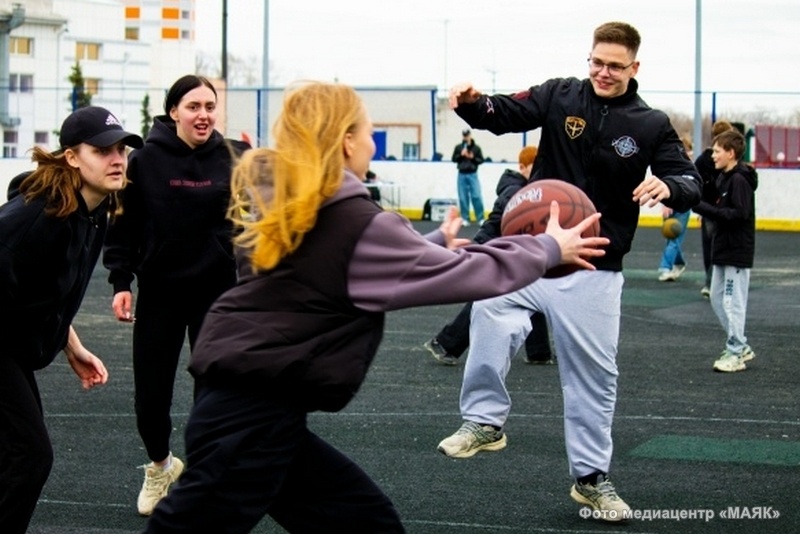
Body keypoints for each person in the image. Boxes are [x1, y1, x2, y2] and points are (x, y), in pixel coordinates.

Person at [142, 81, 609, 533]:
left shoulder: (291, 208)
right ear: (346, 142)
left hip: (243, 408)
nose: (371, 142)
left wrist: (429, 245)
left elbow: (339, 268)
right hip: (250, 420)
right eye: (366, 131)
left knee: (366, 521)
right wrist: (547, 247)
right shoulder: (351, 220)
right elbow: (464, 275)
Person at [437, 21, 702, 522]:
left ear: (634, 68)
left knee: (593, 379)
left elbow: (687, 176)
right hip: (536, 251)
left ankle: (591, 479)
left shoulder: (651, 124)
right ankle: (484, 421)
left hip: (596, 267)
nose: (603, 72)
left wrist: (670, 188)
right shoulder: (559, 96)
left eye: (615, 65)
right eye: (596, 61)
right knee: (491, 309)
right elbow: (505, 112)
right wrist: (473, 103)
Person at [102, 74, 250, 516]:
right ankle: (160, 466)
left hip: (217, 294)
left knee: (215, 392)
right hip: (161, 293)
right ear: (173, 112)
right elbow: (123, 225)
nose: (203, 115)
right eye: (193, 106)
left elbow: (256, 218)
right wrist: (120, 282)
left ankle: (208, 474)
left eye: (210, 106)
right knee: (151, 396)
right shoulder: (144, 162)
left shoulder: (234, 157)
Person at [0, 106, 143, 534]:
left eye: (121, 148)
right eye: (103, 150)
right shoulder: (33, 220)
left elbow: (49, 292)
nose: (117, 158)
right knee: (29, 456)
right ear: (72, 158)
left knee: (17, 456)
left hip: (15, 345)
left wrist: (71, 345)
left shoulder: (93, 209)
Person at [424, 145, 554, 366]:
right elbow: (500, 224)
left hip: (504, 248)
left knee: (533, 291)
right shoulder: (517, 192)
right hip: (498, 249)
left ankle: (539, 352)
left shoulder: (522, 189)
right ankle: (446, 343)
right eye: (535, 166)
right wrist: (480, 247)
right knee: (488, 297)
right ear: (523, 167)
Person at [691, 130, 757, 372]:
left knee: (732, 302)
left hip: (736, 250)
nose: (713, 156)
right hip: (722, 248)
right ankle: (741, 345)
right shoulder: (723, 179)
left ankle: (736, 351)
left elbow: (739, 214)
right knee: (718, 298)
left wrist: (705, 209)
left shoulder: (739, 181)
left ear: (730, 153)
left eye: (718, 151)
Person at [694, 120, 735, 297]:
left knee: (709, 245)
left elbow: (695, 184)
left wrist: (700, 208)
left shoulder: (702, 160)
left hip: (708, 209)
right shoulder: (731, 164)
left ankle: (710, 282)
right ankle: (721, 282)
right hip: (723, 210)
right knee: (726, 245)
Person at [656, 135, 694, 282]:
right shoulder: (672, 163)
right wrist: (665, 203)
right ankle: (679, 263)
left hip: (684, 205)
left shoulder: (691, 166)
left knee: (675, 235)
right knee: (670, 234)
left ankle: (665, 267)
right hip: (671, 204)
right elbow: (666, 182)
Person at [452, 128, 485, 226]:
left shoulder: (476, 148)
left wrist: (472, 157)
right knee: (463, 197)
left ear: (470, 135)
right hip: (461, 174)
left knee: (476, 196)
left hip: (473, 174)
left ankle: (480, 217)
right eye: (464, 135)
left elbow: (481, 160)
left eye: (467, 135)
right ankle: (464, 217)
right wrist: (461, 155)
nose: (466, 137)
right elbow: (454, 159)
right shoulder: (458, 147)